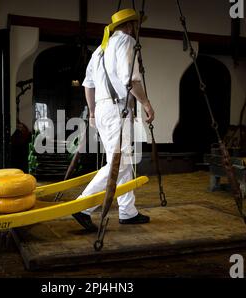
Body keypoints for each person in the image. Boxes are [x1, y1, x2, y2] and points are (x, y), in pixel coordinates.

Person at [72, 8, 155, 232]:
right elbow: (130, 79)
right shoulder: (126, 41)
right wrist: (146, 103)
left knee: (122, 160)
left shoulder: (100, 50)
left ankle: (128, 212)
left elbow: (88, 84)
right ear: (129, 26)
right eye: (135, 26)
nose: (136, 30)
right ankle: (83, 206)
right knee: (120, 162)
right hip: (117, 109)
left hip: (102, 109)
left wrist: (91, 113)